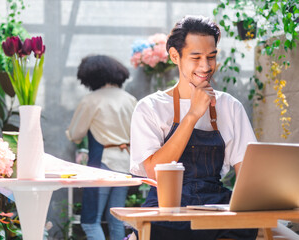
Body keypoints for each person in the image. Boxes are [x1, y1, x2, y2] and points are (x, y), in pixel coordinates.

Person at [129, 16, 258, 240]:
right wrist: (193, 114)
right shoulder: (150, 107)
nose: (206, 66)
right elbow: (153, 172)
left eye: (211, 56)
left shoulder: (230, 107)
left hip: (215, 205)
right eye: (196, 57)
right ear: (174, 56)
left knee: (246, 226)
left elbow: (250, 175)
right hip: (166, 208)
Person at [66, 55, 137, 240]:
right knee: (116, 219)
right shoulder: (130, 100)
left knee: (90, 221)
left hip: (102, 164)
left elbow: (75, 134)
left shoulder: (91, 100)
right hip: (126, 163)